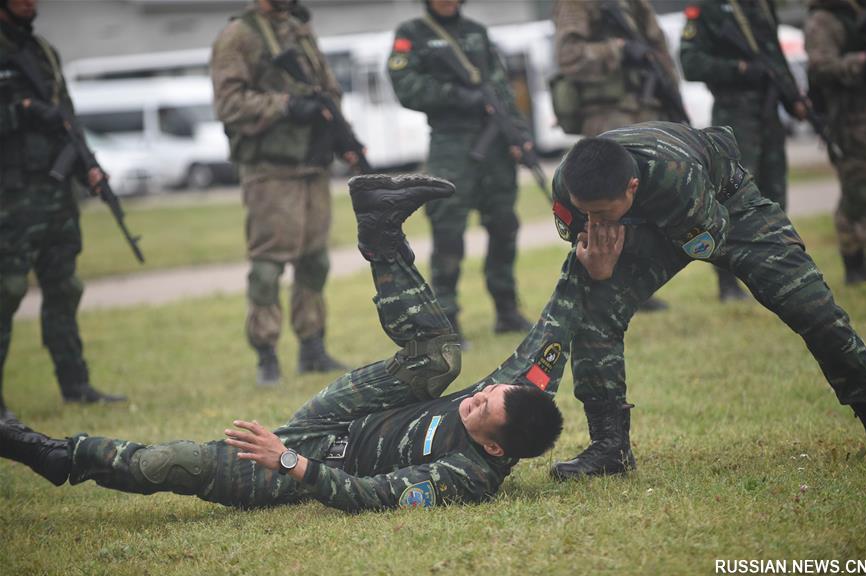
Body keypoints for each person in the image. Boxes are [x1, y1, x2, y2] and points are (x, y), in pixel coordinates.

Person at [0, 174, 574, 513]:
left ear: (496, 449)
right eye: (486, 393)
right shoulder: (514, 400)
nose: (472, 398)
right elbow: (550, 337)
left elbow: (365, 497)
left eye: (478, 409)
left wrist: (289, 459)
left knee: (173, 464)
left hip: (321, 457)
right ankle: (379, 227)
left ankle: (54, 454)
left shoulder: (466, 479)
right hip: (359, 409)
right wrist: (586, 269)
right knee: (441, 356)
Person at [548, 122, 866, 480]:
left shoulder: (677, 175)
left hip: (724, 207)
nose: (593, 221)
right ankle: (610, 448)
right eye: (586, 212)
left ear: (631, 187)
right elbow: (587, 237)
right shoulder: (569, 184)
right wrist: (599, 267)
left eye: (602, 214)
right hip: (651, 219)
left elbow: (706, 239)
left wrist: (621, 248)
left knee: (809, 305)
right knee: (594, 307)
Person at [210, 0, 351, 385]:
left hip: (312, 163)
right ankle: (266, 354)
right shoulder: (238, 36)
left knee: (315, 260)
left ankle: (312, 347)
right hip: (270, 167)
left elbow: (327, 88)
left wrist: (338, 130)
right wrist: (285, 105)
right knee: (269, 266)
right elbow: (228, 103)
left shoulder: (299, 29)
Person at [0, 0, 125, 419]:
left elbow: (67, 118)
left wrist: (89, 165)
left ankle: (76, 384)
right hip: (10, 195)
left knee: (65, 287)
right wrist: (22, 112)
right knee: (8, 289)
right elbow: (34, 113)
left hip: (55, 194)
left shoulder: (43, 51)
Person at [387, 0, 533, 345]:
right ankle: (447, 318)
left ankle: (506, 308)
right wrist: (455, 95)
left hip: (494, 141)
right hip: (451, 143)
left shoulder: (476, 33)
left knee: (504, 224)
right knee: (448, 227)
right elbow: (405, 86)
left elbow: (500, 87)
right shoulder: (412, 34)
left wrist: (518, 133)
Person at [552, 0, 684, 311]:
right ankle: (607, 286)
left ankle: (638, 286)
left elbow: (658, 49)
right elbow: (568, 57)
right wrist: (619, 50)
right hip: (609, 119)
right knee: (607, 208)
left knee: (644, 203)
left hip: (648, 111)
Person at [679, 0, 810, 300]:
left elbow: (772, 55)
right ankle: (727, 282)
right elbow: (691, 63)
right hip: (734, 117)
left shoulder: (762, 5)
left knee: (773, 199)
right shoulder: (707, 9)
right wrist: (741, 69)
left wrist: (793, 97)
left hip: (768, 113)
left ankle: (774, 276)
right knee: (730, 202)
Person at [804, 0, 866, 284]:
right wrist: (864, 62)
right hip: (850, 119)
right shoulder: (825, 17)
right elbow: (820, 67)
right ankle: (855, 264)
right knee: (858, 194)